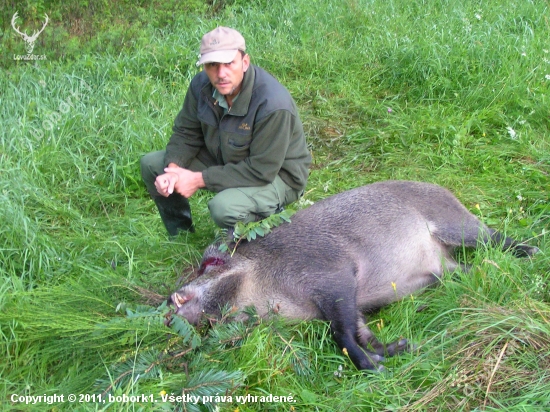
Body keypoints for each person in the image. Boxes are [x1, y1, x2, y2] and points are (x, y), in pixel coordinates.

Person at [140, 27, 311, 235]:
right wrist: (174, 172)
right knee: (153, 165)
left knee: (224, 208)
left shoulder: (273, 105)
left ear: (245, 62)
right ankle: (182, 236)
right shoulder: (200, 87)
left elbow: (261, 170)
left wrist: (198, 179)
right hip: (227, 157)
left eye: (229, 63)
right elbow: (186, 133)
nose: (221, 74)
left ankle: (268, 229)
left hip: (277, 176)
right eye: (213, 65)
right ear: (204, 67)